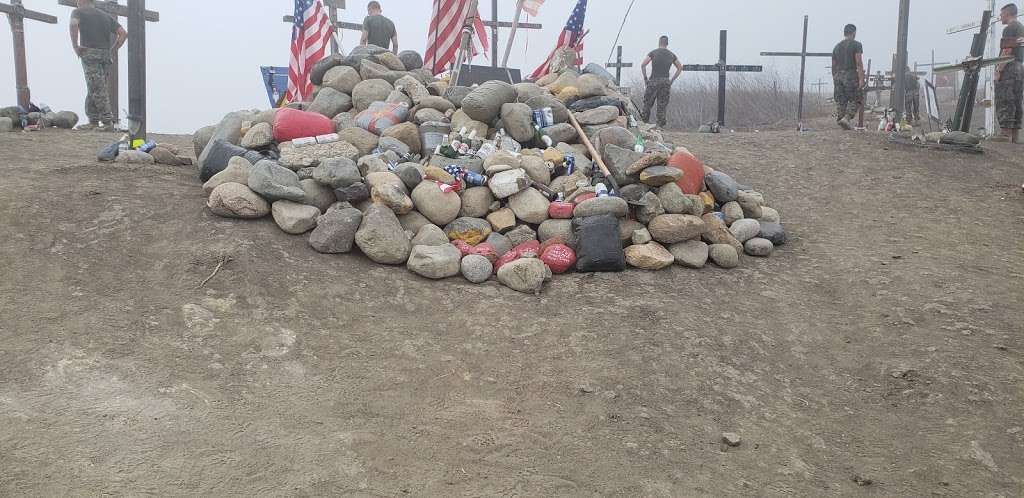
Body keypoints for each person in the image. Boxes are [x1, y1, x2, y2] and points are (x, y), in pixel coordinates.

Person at [69, 0, 126, 131]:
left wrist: (75, 46)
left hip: (90, 53)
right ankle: (93, 121)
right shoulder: (105, 15)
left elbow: (73, 26)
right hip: (105, 55)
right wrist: (113, 49)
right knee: (95, 86)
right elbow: (123, 33)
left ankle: (107, 122)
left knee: (97, 88)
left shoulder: (78, 12)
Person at [994, 3, 1024, 143]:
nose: (1000, 17)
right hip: (1019, 67)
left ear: (1007, 13)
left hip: (1010, 67)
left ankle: (1005, 134)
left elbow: (1007, 50)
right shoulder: (1021, 28)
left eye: (1001, 14)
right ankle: (1015, 137)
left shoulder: (1009, 29)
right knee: (1017, 99)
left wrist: (999, 70)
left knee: (1005, 98)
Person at [640, 35, 684, 128]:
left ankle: (643, 125)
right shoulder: (672, 55)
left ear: (659, 42)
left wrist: (645, 79)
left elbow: (643, 64)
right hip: (665, 82)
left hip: (653, 81)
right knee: (662, 105)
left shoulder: (653, 53)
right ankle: (660, 127)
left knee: (647, 104)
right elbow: (680, 68)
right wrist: (671, 80)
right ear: (667, 44)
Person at [831, 24, 865, 130]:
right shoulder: (856, 45)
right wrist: (861, 79)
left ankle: (841, 119)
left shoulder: (836, 47)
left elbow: (833, 65)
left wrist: (835, 78)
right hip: (850, 75)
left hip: (838, 76)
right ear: (854, 33)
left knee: (841, 100)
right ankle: (846, 118)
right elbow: (858, 63)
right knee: (857, 98)